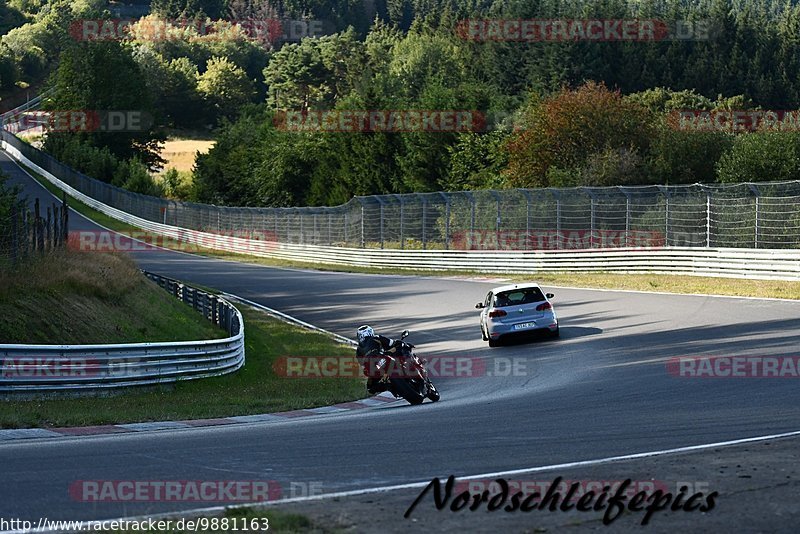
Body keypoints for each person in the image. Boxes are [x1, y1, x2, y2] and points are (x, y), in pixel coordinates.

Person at [355, 325, 398, 394]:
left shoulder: (358, 349)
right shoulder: (375, 338)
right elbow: (392, 343)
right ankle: (390, 385)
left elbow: (362, 364)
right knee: (398, 348)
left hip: (374, 369)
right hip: (382, 361)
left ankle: (390, 386)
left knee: (370, 388)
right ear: (370, 332)